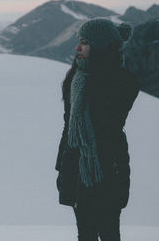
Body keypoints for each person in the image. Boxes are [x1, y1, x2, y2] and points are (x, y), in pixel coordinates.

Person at [55, 18, 140, 241]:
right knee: (85, 234)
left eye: (84, 42)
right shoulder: (75, 80)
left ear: (101, 45)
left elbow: (109, 125)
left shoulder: (121, 82)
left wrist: (97, 73)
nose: (77, 47)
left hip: (108, 170)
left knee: (109, 233)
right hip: (78, 170)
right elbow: (68, 128)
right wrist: (63, 169)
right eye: (78, 41)